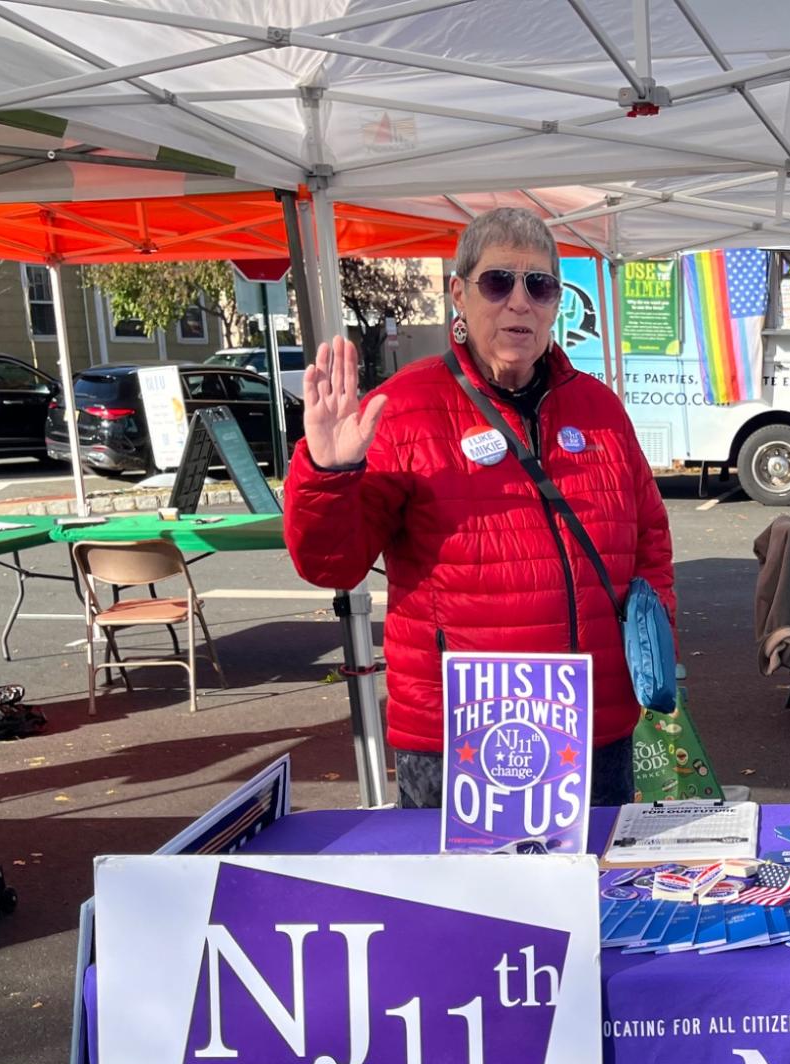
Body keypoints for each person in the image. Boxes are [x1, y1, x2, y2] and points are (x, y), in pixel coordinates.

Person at [284, 206, 675, 808]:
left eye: (539, 285)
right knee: (465, 877)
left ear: (555, 304)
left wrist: (651, 635)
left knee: (597, 869)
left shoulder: (599, 408)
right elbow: (330, 564)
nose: (520, 302)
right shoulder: (403, 409)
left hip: (594, 726)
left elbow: (650, 536)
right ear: (458, 295)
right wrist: (329, 474)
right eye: (498, 282)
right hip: (461, 738)